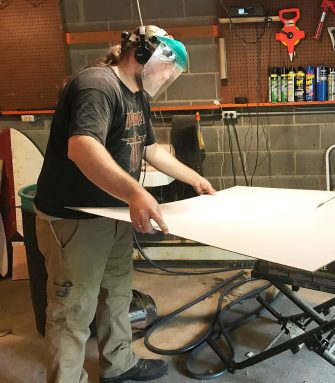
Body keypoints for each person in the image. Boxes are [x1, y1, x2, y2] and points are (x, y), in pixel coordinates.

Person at [34, 25, 216, 383]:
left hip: (113, 211)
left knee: (116, 292)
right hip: (76, 216)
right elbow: (82, 147)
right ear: (143, 53)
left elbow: (150, 149)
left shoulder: (137, 95)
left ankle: (119, 364)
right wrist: (136, 193)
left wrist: (192, 177)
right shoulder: (97, 84)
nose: (167, 76)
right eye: (167, 66)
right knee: (72, 309)